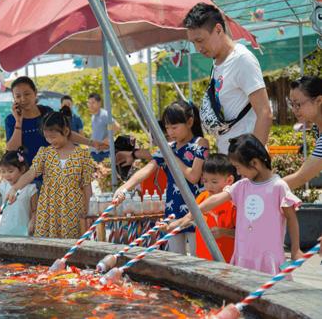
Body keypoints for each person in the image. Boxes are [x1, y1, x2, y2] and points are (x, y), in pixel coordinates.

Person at [165, 134, 303, 275]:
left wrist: (295, 249)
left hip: (268, 258)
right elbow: (212, 201)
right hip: (244, 256)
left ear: (254, 163)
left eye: (238, 167)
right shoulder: (242, 186)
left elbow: (292, 219)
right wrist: (183, 220)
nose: (237, 172)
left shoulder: (278, 187)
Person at [113, 100, 209, 255]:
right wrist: (124, 187)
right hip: (173, 208)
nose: (170, 132)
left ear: (190, 122)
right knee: (175, 260)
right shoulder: (167, 148)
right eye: (167, 128)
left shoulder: (200, 143)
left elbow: (193, 176)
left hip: (197, 209)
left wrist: (170, 156)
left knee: (198, 259)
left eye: (175, 127)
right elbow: (147, 169)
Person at [184, 3, 272, 154]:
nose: (197, 48)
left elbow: (265, 113)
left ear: (218, 29)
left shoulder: (241, 59)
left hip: (245, 161)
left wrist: (250, 160)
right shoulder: (218, 62)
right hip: (227, 159)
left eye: (200, 40)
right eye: (193, 43)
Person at [7, 112, 94, 239]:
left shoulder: (82, 155)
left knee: (72, 247)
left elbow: (87, 186)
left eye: (53, 137)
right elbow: (31, 173)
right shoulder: (45, 153)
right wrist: (15, 188)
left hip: (73, 209)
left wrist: (88, 213)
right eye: (47, 137)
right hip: (48, 209)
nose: (50, 141)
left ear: (65, 131)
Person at [5, 77, 104, 166]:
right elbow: (12, 150)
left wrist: (91, 143)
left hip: (53, 171)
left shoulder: (46, 112)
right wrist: (18, 122)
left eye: (27, 94)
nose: (23, 99)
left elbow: (65, 133)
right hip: (28, 177)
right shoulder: (11, 120)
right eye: (18, 96)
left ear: (35, 93)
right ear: (14, 99)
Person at [194, 154, 236, 263]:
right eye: (205, 181)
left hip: (226, 261)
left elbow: (243, 233)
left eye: (214, 182)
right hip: (202, 258)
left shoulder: (234, 203)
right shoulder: (202, 197)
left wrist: (224, 232)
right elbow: (190, 218)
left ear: (229, 180)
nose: (209, 186)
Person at [283, 76, 322, 190]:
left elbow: (300, 178)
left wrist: (260, 189)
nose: (294, 110)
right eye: (292, 104)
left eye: (298, 104)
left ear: (319, 101)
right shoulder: (316, 128)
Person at [88, 92, 120, 162]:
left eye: (93, 102)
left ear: (99, 103)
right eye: (89, 103)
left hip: (104, 152)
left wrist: (108, 137)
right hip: (94, 151)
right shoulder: (93, 116)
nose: (90, 105)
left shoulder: (104, 114)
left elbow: (116, 126)